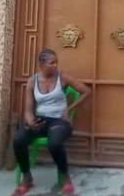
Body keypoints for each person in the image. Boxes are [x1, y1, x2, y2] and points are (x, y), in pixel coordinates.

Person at [12, 49, 91, 195]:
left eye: (56, 62)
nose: (55, 66)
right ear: (41, 64)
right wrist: (30, 121)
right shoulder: (32, 81)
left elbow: (86, 91)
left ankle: (65, 176)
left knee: (54, 143)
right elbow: (28, 110)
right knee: (18, 139)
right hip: (41, 119)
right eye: (51, 63)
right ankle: (27, 176)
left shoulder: (63, 78)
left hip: (59, 121)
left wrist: (69, 109)